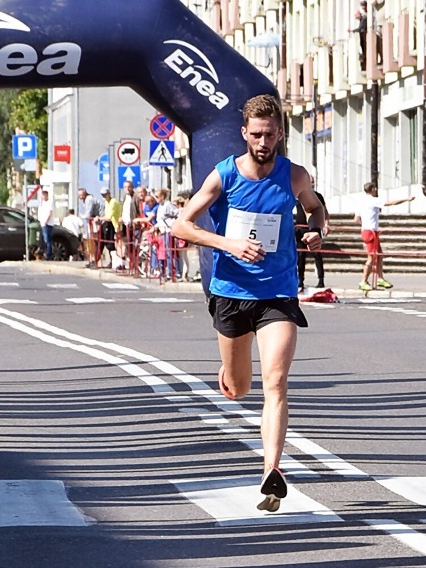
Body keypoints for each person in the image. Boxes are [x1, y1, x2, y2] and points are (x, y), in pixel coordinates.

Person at [171, 94, 325, 513]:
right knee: (239, 388)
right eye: (256, 134)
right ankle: (229, 369)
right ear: (244, 133)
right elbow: (181, 224)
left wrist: (316, 231)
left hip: (277, 294)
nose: (263, 141)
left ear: (280, 134)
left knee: (275, 382)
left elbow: (315, 209)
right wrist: (229, 244)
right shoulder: (224, 176)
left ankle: (271, 471)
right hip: (231, 294)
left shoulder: (294, 175)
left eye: (270, 134)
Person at [354, 181, 414, 291]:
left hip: (367, 231)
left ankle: (380, 278)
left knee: (380, 255)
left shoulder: (360, 202)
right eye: (375, 188)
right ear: (372, 189)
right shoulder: (373, 200)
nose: (376, 190)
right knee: (371, 258)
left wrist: (365, 224)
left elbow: (356, 219)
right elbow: (391, 203)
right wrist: (407, 199)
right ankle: (363, 281)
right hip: (371, 232)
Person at [296, 175, 329, 290]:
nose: (311, 184)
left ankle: (321, 280)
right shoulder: (297, 194)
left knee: (317, 254)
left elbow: (322, 210)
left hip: (312, 228)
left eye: (312, 182)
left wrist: (325, 224)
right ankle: (300, 281)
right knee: (300, 256)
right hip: (300, 229)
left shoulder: (317, 196)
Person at [78, 187, 103, 267]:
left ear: (84, 194)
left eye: (81, 195)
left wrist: (82, 216)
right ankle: (93, 260)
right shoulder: (86, 200)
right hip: (95, 222)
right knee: (94, 242)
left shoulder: (89, 199)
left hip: (99, 221)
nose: (79, 196)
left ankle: (94, 260)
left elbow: (88, 214)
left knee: (96, 242)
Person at [98, 188, 122, 268]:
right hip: (109, 224)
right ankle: (113, 262)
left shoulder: (113, 202)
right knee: (109, 244)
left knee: (115, 245)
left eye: (105, 194)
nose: (104, 196)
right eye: (102, 195)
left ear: (109, 193)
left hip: (115, 225)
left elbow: (109, 217)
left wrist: (99, 219)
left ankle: (119, 263)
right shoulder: (106, 202)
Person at [36, 189, 54, 260]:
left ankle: (48, 254)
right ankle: (44, 252)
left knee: (47, 240)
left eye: (44, 195)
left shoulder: (50, 202)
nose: (42, 197)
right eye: (42, 195)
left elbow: (50, 212)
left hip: (47, 224)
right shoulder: (41, 203)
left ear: (46, 195)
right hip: (42, 223)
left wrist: (46, 221)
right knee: (43, 239)